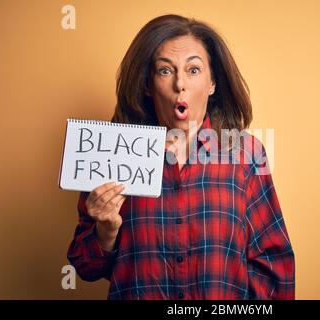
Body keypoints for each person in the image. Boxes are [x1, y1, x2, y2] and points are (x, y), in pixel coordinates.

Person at [67, 14, 295, 300]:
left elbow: (274, 265)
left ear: (212, 83)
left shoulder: (245, 155)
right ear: (147, 85)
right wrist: (105, 230)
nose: (180, 85)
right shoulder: (112, 153)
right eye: (165, 71)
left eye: (194, 70)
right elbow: (84, 266)